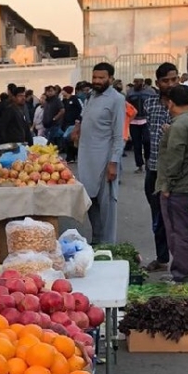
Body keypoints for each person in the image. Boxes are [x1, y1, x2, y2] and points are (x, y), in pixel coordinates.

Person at [142, 62, 188, 272]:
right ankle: (162, 257)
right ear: (158, 83)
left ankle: (184, 268)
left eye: (174, 79)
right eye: (166, 80)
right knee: (159, 219)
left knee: (180, 224)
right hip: (155, 168)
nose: (171, 83)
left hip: (180, 175)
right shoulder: (149, 103)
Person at [155, 84, 188, 281]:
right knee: (187, 233)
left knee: (178, 235)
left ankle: (182, 275)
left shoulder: (178, 125)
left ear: (170, 103)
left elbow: (175, 158)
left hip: (178, 187)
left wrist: (167, 186)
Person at [72, 62, 125, 244]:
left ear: (110, 79)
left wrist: (113, 162)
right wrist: (78, 129)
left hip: (104, 160)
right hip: (86, 159)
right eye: (95, 77)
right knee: (90, 201)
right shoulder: (91, 97)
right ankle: (96, 240)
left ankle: (109, 246)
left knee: (107, 206)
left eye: (101, 78)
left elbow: (119, 135)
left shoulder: (117, 99)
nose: (97, 81)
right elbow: (85, 118)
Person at [127, 75, 150, 173]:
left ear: (143, 81)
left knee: (147, 142)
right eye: (135, 81)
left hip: (146, 121)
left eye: (138, 81)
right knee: (137, 144)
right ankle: (139, 165)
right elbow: (127, 107)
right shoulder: (130, 92)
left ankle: (148, 163)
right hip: (134, 122)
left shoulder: (150, 92)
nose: (137, 83)